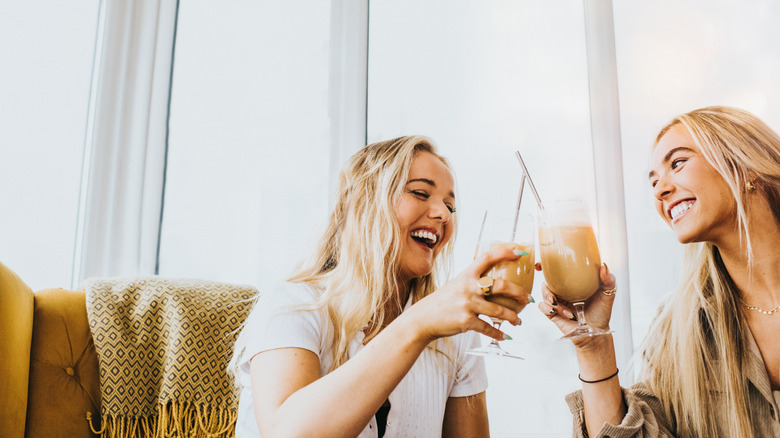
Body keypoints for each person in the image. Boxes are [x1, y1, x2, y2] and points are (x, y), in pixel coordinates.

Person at [230, 136, 531, 437]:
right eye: (420, 192)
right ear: (365, 204)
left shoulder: (458, 338)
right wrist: (419, 323)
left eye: (450, 207)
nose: (442, 214)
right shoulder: (293, 305)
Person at [539, 106, 780, 437]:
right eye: (652, 181)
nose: (660, 189)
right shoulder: (678, 329)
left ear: (746, 164)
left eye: (677, 163)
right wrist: (593, 348)